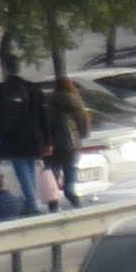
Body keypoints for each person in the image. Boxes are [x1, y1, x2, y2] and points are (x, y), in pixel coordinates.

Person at [0, 60, 46, 215]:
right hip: (32, 137)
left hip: (12, 138)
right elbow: (42, 115)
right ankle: (32, 202)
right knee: (30, 169)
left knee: (22, 171)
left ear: (5, 69)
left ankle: (33, 205)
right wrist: (44, 138)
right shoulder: (33, 88)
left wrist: (0, 137)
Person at [43, 78, 89, 210]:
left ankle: (53, 203)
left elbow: (45, 125)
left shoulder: (48, 104)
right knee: (70, 169)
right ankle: (71, 193)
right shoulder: (76, 102)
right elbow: (83, 126)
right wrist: (81, 135)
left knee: (53, 173)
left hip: (53, 146)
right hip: (72, 144)